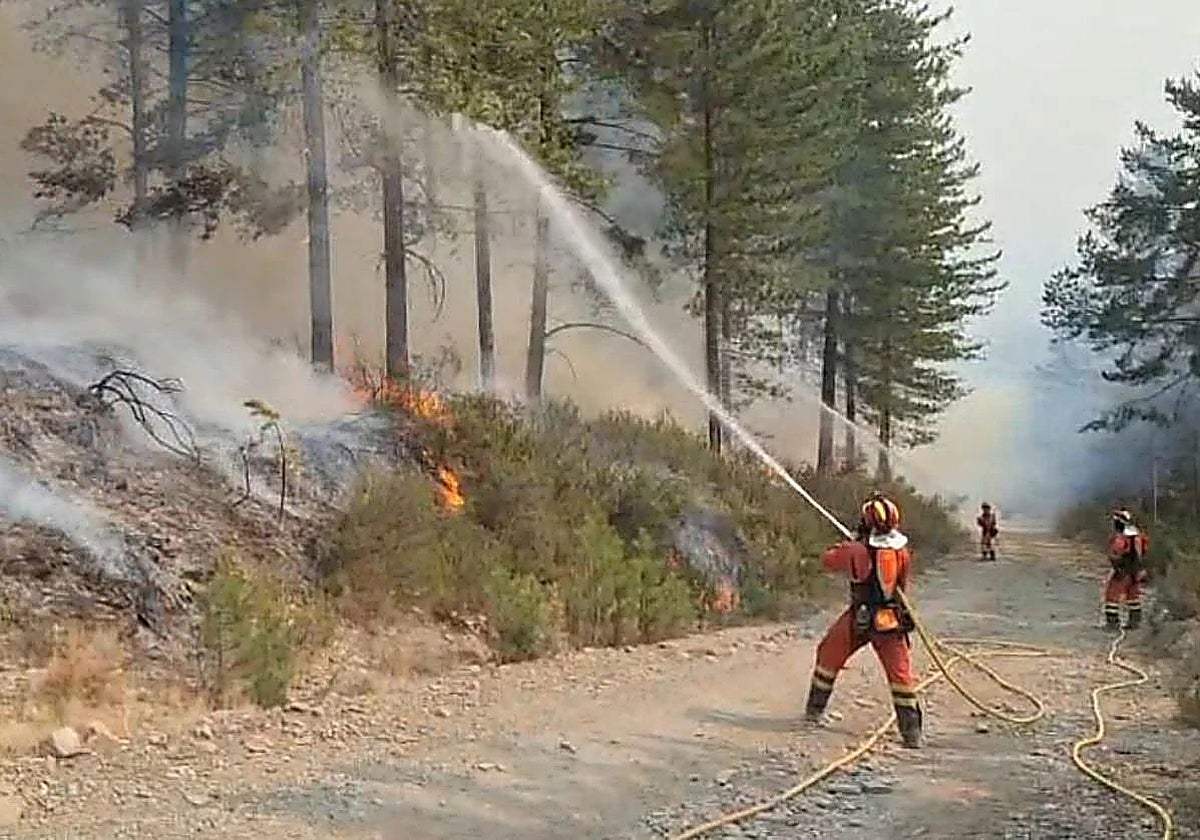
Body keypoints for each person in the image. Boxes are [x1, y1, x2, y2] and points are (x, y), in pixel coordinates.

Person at [804, 494, 922, 748]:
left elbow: (828, 561)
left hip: (860, 618)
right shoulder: (902, 551)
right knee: (901, 675)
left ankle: (813, 712)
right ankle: (911, 733)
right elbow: (900, 583)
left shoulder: (856, 550)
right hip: (892, 621)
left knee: (828, 655)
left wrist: (848, 544)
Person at [1105, 507, 1149, 630]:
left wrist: (1116, 565)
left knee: (1112, 596)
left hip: (1123, 570)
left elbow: (1116, 553)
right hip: (1137, 571)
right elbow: (1144, 551)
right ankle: (1134, 622)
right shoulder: (1138, 535)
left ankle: (1112, 623)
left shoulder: (1121, 537)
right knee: (1133, 596)